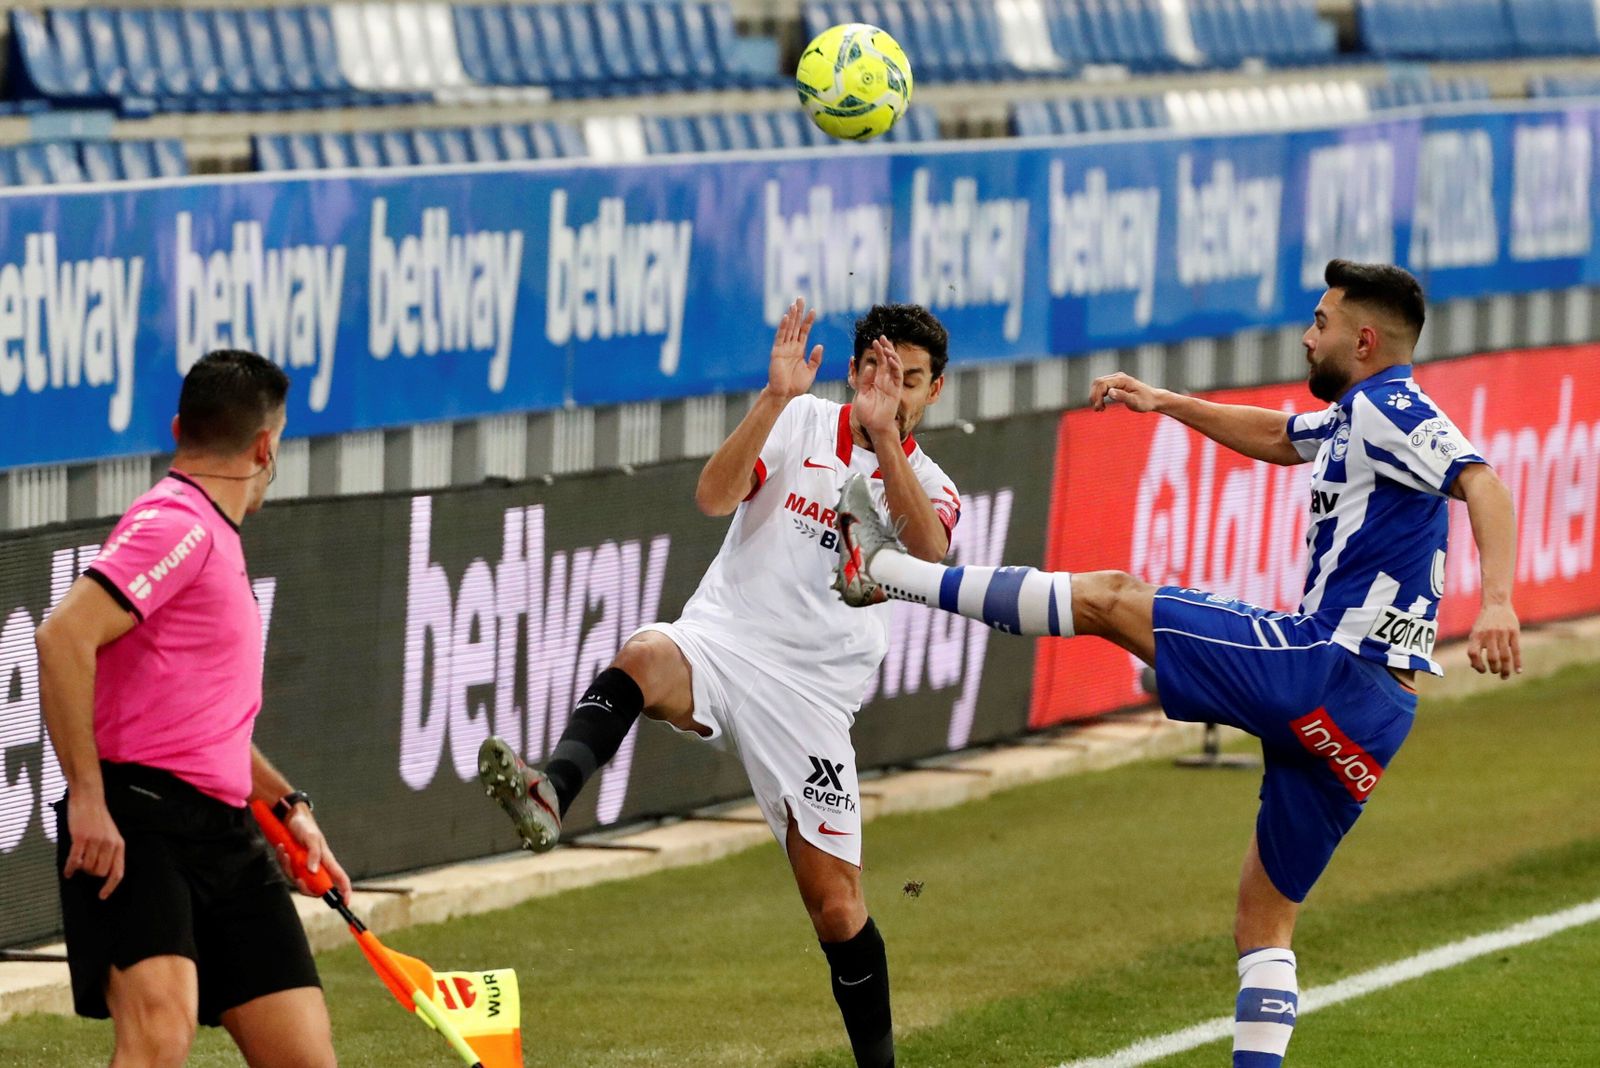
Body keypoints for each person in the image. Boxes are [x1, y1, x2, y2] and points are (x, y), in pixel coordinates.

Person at [832, 261, 1522, 1068]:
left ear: (1364, 341)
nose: (1308, 336)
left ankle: (884, 570)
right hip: (1375, 718)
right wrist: (1166, 402)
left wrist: (1497, 601)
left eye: (1322, 322)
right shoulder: (1353, 416)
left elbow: (1483, 482)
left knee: (1112, 597)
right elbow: (1278, 436)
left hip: (1328, 665)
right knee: (1263, 920)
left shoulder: (1390, 406)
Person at [476, 299, 961, 1068]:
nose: (889, 387)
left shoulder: (930, 481)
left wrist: (882, 441)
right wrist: (773, 397)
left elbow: (930, 557)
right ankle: (551, 791)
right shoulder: (798, 421)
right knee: (645, 653)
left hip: (812, 701)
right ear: (851, 369)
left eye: (908, 378)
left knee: (837, 911)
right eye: (876, 368)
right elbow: (711, 497)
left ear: (934, 391)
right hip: (726, 639)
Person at [35, 349, 352, 1068]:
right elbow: (62, 638)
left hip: (224, 833)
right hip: (140, 825)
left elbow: (205, 727)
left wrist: (288, 806)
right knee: (158, 1039)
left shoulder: (207, 531)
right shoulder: (177, 525)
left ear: (180, 428)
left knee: (304, 1056)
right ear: (265, 448)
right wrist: (88, 798)